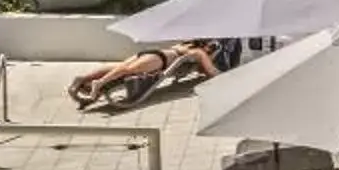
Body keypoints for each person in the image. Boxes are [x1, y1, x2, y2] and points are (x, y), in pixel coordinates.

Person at [68, 40, 223, 109]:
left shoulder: (183, 45)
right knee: (127, 71)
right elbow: (212, 72)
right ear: (206, 47)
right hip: (159, 60)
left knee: (121, 67)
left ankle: (84, 78)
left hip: (154, 53)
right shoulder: (198, 52)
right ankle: (99, 83)